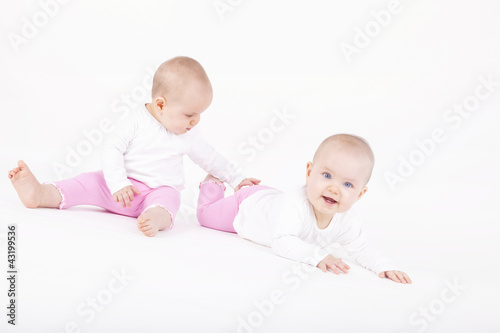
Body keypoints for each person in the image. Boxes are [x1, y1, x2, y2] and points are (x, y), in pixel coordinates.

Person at [8, 56, 259, 237]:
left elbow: (211, 158)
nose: (196, 121)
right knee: (86, 182)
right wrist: (118, 183)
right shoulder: (135, 120)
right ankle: (40, 194)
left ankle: (155, 217)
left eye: (200, 115)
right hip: (119, 189)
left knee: (170, 198)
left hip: (156, 192)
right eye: (190, 114)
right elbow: (112, 150)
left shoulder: (188, 133)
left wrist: (237, 179)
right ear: (160, 105)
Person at [197, 134, 412, 283]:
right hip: (246, 207)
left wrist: (384, 266)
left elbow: (362, 247)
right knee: (205, 216)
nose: (333, 188)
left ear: (360, 194)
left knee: (276, 205)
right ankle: (213, 182)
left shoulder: (348, 221)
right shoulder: (295, 204)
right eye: (327, 175)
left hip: (272, 201)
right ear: (309, 172)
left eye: (347, 184)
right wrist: (317, 256)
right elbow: (281, 241)